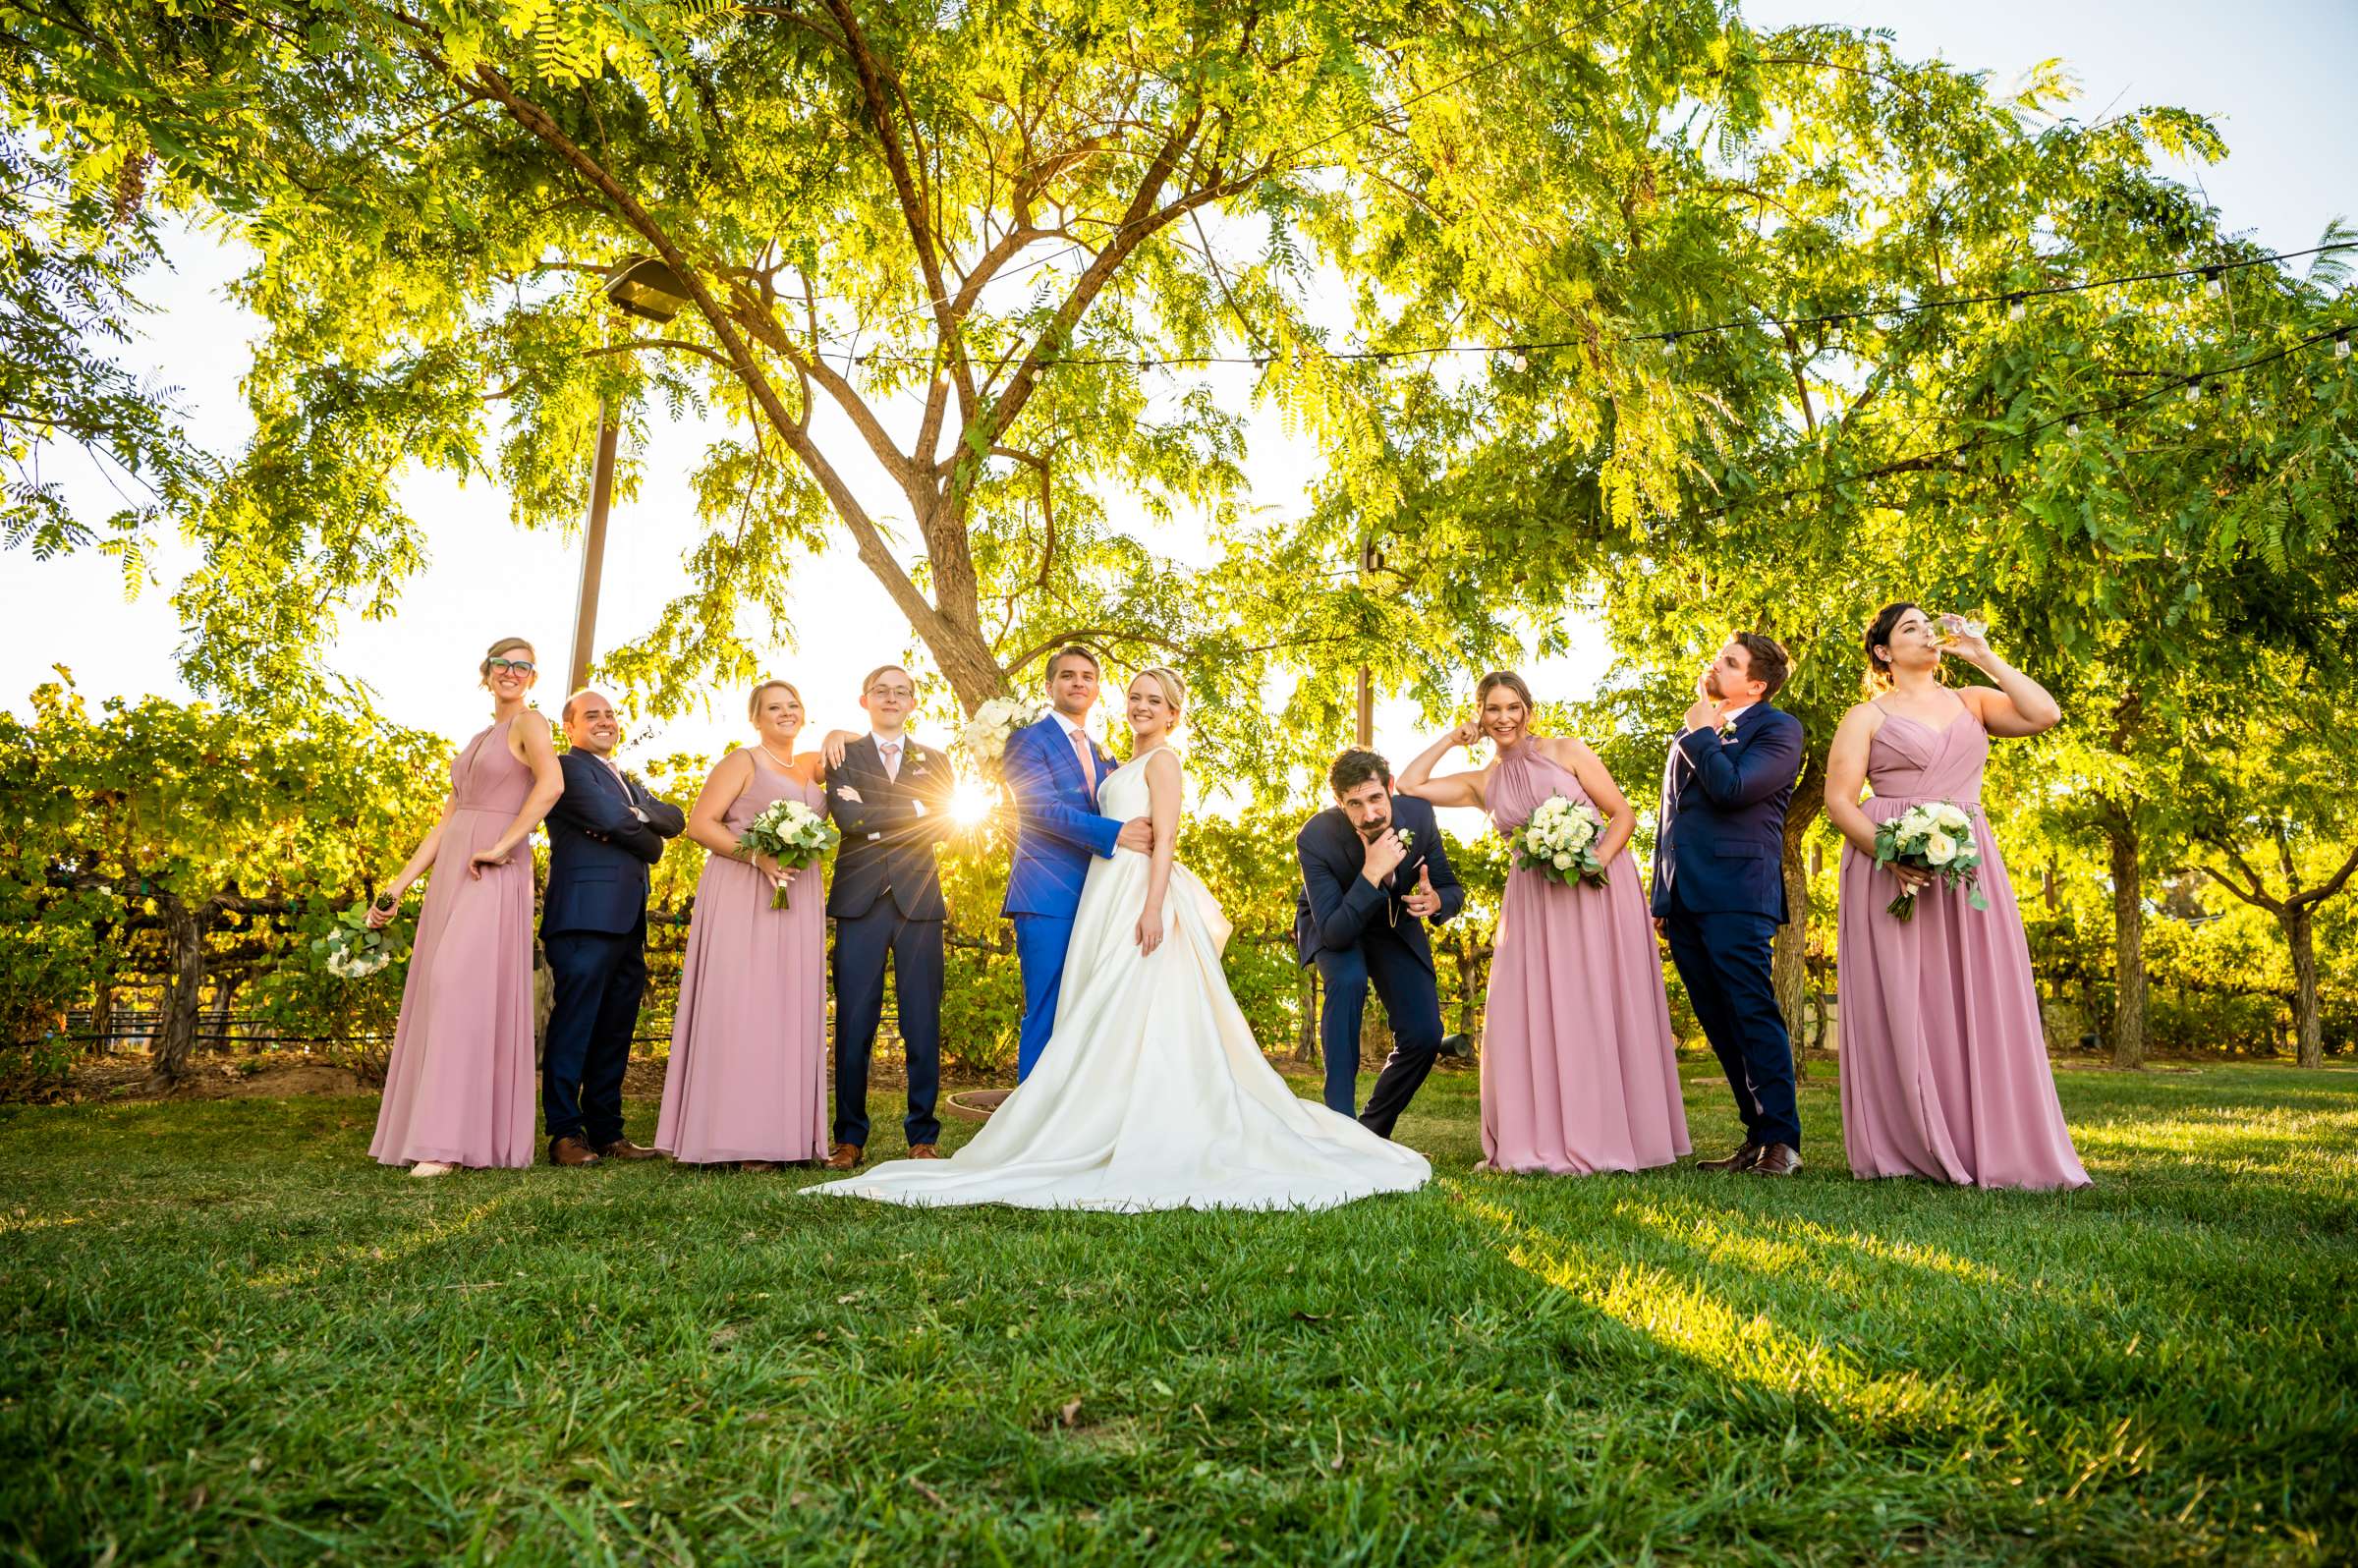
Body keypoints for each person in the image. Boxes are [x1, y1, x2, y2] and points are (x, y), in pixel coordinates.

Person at [810, 670, 1428, 1210]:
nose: (1141, 706)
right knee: (1097, 1013)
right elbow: (1070, 808)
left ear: (1174, 714)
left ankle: (1141, 1122)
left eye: (1154, 701)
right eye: (1134, 697)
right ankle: (1086, 1115)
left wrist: (1154, 907)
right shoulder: (1113, 762)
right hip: (1102, 898)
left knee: (1143, 1011)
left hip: (1139, 898)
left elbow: (1166, 840)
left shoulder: (1162, 761)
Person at [1825, 604, 2090, 1190]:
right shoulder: (1864, 716)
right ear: (1884, 653)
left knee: (1979, 992)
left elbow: (2045, 713)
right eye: (1910, 628)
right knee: (1905, 998)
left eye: (1928, 624)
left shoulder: (1972, 700)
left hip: (1970, 866)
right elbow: (1840, 801)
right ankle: (1910, 1137)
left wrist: (1982, 654)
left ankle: (1985, 1136)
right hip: (1890, 865)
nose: (1926, 634)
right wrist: (1891, 854)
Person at [1399, 672, 1689, 1174]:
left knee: (1598, 998)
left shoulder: (1567, 751)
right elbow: (1409, 784)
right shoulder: (1481, 781)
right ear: (1481, 715)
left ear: (1529, 709)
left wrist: (1595, 860)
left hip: (1597, 887)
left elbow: (1622, 814)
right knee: (1530, 1007)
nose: (1505, 718)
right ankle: (1542, 1132)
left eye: (1514, 707)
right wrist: (1452, 737)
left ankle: (1617, 1131)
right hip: (1534, 898)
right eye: (1493, 710)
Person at [365, 638, 564, 1176]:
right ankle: (440, 1132)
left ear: (532, 678)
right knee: (441, 990)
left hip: (492, 867)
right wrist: (399, 884)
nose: (512, 672)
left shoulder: (532, 724)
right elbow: (446, 821)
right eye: (504, 663)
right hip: (454, 863)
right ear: (487, 671)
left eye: (524, 666)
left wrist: (504, 844)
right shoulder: (480, 737)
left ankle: (445, 1143)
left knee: (456, 985)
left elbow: (552, 785)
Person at [657, 680, 832, 1170]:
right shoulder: (743, 760)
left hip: (797, 891)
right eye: (773, 707)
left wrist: (840, 730)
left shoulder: (812, 763)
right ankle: (732, 1136)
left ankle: (781, 1135)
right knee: (741, 1002)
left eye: (793, 704)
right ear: (755, 718)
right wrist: (758, 857)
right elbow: (701, 823)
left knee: (785, 1005)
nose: (786, 712)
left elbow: (862, 745)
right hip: (742, 888)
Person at [1651, 633, 1807, 1177]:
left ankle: (1783, 1142)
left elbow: (1734, 790)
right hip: (1686, 897)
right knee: (1717, 1020)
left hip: (1740, 893)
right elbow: (1671, 818)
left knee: (1752, 1013)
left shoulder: (1779, 730)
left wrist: (1699, 733)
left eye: (1729, 661)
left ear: (1756, 684)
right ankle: (1755, 1136)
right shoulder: (1696, 730)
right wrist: (1660, 893)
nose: (1715, 664)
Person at [819, 664, 958, 1170]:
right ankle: (849, 1138)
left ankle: (922, 1136)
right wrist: (914, 811)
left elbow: (944, 823)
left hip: (919, 901)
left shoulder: (936, 759)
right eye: (882, 691)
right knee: (855, 1023)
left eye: (902, 692)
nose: (892, 698)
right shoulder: (843, 754)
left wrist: (885, 817)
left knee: (922, 1023)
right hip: (860, 901)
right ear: (865, 700)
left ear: (914, 703)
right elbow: (849, 819)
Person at [539, 688, 684, 1167]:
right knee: (575, 1024)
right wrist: (638, 828)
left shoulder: (625, 779)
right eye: (592, 715)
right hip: (583, 916)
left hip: (628, 922)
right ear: (570, 726)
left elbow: (672, 824)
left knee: (615, 1029)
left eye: (610, 714)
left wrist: (637, 818)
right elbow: (613, 822)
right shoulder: (566, 767)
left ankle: (608, 1132)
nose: (604, 721)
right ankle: (564, 1134)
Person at [999, 647, 1154, 1081]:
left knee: (1087, 1010)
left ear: (1098, 689)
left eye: (1088, 675)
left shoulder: (1105, 754)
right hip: (1046, 894)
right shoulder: (1027, 741)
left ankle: (1068, 1116)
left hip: (1099, 897)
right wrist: (1117, 833)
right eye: (1067, 675)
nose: (1078, 682)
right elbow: (1039, 809)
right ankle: (1028, 1126)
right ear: (1050, 687)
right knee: (1047, 1009)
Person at [1293, 748, 1465, 1138]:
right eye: (1355, 804)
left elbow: (1452, 888)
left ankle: (1371, 1134)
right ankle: (1339, 1126)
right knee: (1348, 980)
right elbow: (1334, 931)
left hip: (1393, 926)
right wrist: (1372, 872)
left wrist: (1438, 901)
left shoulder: (1419, 816)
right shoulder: (1316, 837)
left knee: (1424, 1034)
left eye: (1375, 799)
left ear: (1389, 788)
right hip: (1335, 921)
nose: (1369, 814)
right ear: (1340, 803)